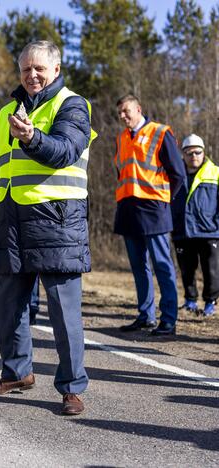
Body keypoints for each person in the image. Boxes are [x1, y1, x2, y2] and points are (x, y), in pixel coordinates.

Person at [0, 41, 95, 415]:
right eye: (25, 69)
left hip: (58, 223)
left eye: (39, 68)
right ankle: (16, 372)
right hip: (11, 224)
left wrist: (32, 137)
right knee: (9, 308)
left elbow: (65, 150)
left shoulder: (73, 104)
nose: (32, 75)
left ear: (55, 69)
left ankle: (71, 388)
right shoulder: (6, 111)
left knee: (63, 312)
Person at [114, 95, 186, 335]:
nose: (123, 116)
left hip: (154, 210)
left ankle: (168, 319)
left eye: (126, 111)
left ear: (138, 108)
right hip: (128, 210)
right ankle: (146, 316)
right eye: (120, 113)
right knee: (139, 267)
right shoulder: (121, 138)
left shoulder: (160, 132)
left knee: (162, 266)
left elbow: (178, 174)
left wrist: (165, 201)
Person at [171, 134, 219, 318]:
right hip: (182, 230)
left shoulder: (215, 172)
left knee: (211, 270)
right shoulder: (175, 174)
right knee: (186, 269)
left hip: (209, 231)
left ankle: (210, 302)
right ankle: (190, 300)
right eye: (189, 153)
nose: (194, 156)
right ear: (183, 154)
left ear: (204, 152)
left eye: (198, 152)